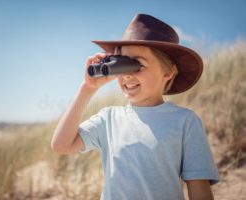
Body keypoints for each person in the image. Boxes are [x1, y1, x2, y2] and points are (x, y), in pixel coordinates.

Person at [51, 14, 219, 200]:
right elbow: (61, 145)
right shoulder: (108, 119)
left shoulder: (185, 121)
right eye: (122, 64)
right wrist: (87, 88)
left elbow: (199, 188)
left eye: (136, 65)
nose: (127, 75)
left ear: (168, 72)